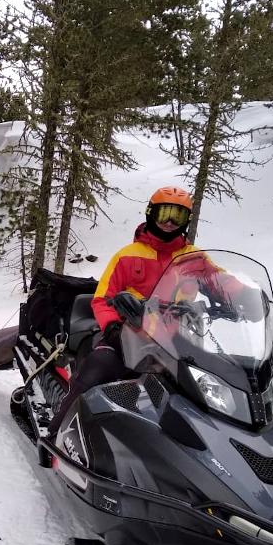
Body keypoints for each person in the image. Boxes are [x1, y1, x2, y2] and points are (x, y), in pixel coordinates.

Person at [46, 185, 254, 437]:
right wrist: (112, 326)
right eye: (164, 213)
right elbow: (102, 298)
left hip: (178, 343)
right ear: (150, 213)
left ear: (186, 220)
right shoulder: (127, 256)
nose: (169, 222)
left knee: (211, 386)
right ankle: (56, 434)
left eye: (177, 216)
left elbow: (221, 282)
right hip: (129, 337)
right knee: (97, 368)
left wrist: (247, 297)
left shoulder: (194, 259)